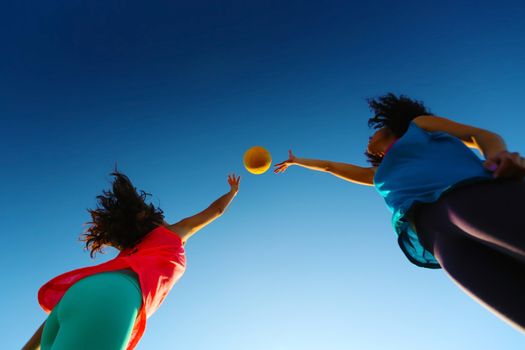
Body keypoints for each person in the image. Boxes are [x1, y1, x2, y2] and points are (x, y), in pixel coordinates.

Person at [274, 93, 525, 331]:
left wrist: (498, 157)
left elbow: (477, 134)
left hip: (471, 196)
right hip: (437, 239)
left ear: (389, 126)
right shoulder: (376, 174)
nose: (369, 138)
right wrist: (297, 161)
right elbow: (330, 167)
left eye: (373, 132)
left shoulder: (419, 126)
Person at [23, 170, 241, 350]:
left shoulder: (128, 253)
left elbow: (74, 305)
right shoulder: (169, 234)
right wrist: (233, 192)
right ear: (152, 222)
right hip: (113, 296)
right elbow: (217, 210)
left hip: (73, 299)